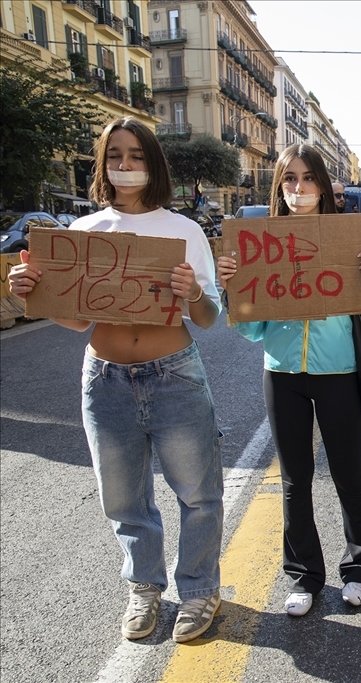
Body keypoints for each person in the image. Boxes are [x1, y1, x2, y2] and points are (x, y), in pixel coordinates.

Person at [8, 117, 225, 644]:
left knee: (198, 494)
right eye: (115, 156)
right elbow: (80, 319)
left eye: (137, 156)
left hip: (174, 376)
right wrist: (28, 294)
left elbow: (209, 315)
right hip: (104, 381)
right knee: (123, 499)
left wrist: (191, 292)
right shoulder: (81, 234)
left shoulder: (185, 231)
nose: (125, 166)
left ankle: (199, 590)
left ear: (154, 165)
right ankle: (144, 588)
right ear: (102, 164)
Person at [217, 144, 361, 618]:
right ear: (279, 187)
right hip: (283, 375)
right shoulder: (260, 244)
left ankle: (359, 570)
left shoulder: (348, 242)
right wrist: (233, 286)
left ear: (323, 186)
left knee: (348, 474)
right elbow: (251, 330)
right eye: (289, 179)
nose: (298, 188)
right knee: (295, 480)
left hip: (339, 374)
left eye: (308, 178)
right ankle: (304, 575)